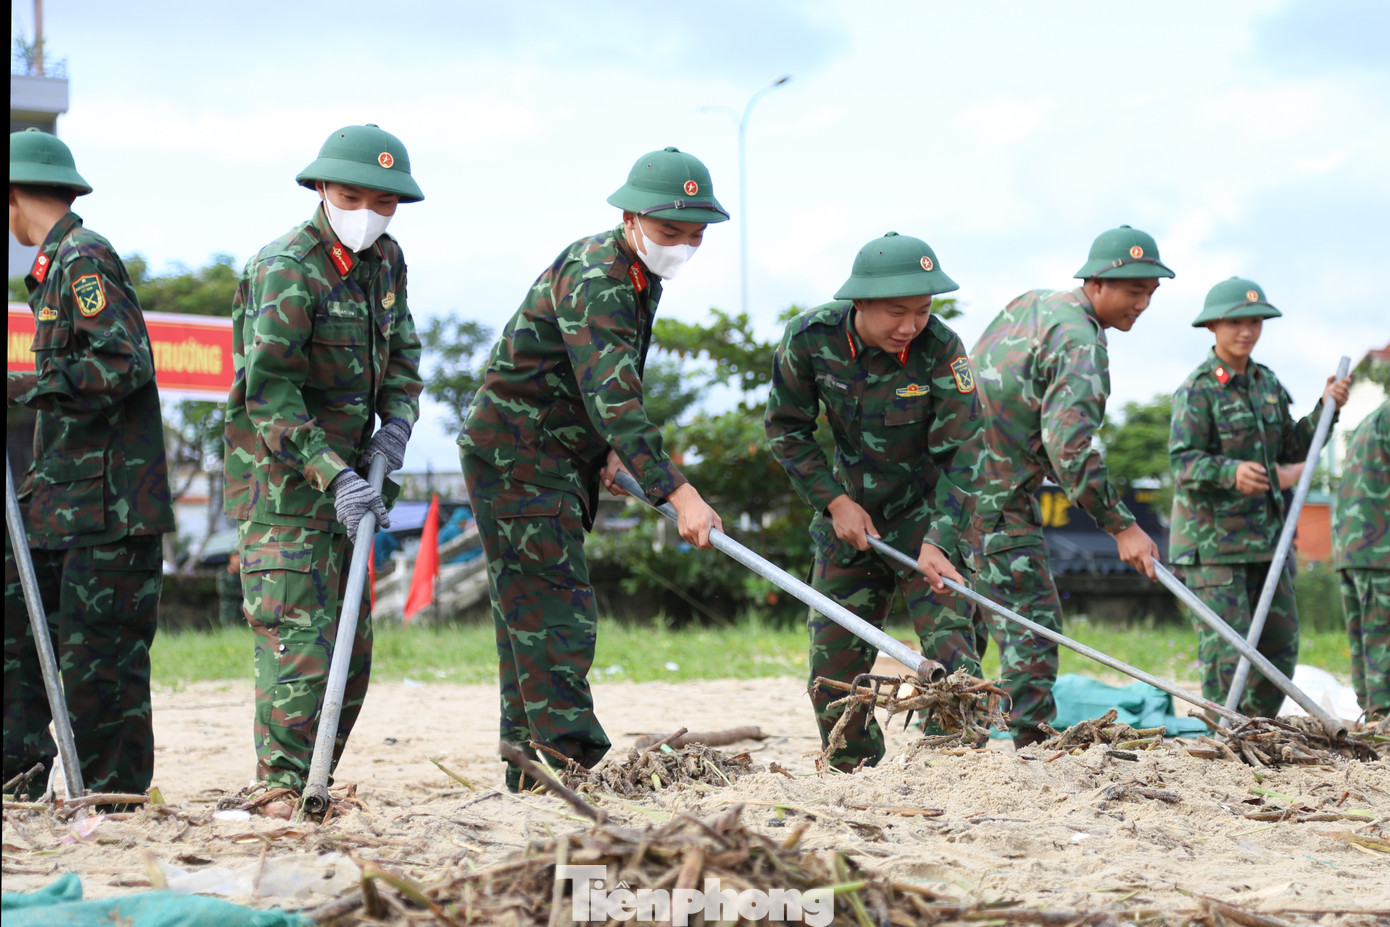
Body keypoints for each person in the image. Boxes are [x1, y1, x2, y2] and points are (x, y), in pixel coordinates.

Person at [459, 146, 727, 791]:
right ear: (632, 216)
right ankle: (567, 764)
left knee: (532, 613)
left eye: (695, 236)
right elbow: (616, 396)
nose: (682, 247)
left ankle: (533, 771)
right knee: (557, 611)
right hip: (519, 456)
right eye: (670, 233)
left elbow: (603, 378)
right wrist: (678, 491)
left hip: (556, 452)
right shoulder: (598, 276)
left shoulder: (639, 275)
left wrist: (608, 449)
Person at [223, 124, 424, 801]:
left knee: (352, 654)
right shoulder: (286, 267)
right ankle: (279, 795)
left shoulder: (386, 262)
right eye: (351, 195)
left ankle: (316, 784)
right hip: (286, 492)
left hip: (353, 492)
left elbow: (403, 358)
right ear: (319, 189)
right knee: (299, 652)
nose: (368, 212)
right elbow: (269, 393)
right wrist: (333, 473)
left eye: (384, 202)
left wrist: (394, 427)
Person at [764, 232, 983, 770]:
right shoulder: (810, 339)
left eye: (923, 310)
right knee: (831, 670)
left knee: (954, 656)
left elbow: (966, 454)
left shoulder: (942, 349)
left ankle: (951, 771)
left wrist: (940, 540)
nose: (910, 326)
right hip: (850, 518)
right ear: (858, 302)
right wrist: (834, 502)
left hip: (928, 518)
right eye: (896, 312)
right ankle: (854, 772)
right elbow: (787, 431)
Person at [4, 128, 175, 796]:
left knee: (100, 663)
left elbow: (123, 361)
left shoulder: (84, 257)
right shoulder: (50, 270)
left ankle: (110, 795)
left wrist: (21, 386)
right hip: (59, 501)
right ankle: (19, 776)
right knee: (17, 642)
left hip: (112, 507)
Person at [969, 225, 1171, 748]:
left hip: (946, 490)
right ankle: (1030, 752)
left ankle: (944, 746)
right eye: (1133, 291)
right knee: (1033, 628)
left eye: (1151, 292)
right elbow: (1070, 449)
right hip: (996, 498)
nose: (1143, 303)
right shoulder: (1082, 344)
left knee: (960, 627)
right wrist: (1121, 526)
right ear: (1098, 283)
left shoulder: (1033, 303)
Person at [1169, 277, 1351, 718]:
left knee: (1279, 647)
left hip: (1266, 544)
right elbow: (1183, 463)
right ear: (1213, 326)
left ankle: (1256, 730)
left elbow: (1293, 447)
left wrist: (1327, 407)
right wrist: (1229, 472)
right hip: (1214, 550)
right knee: (1226, 657)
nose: (1246, 331)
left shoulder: (1266, 384)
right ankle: (1221, 738)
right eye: (1236, 323)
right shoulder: (1197, 390)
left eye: (1255, 322)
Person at [1333, 398, 1389, 723]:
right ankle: (1383, 719)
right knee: (1382, 634)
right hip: (1380, 547)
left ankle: (1374, 714)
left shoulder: (1375, 418)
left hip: (1357, 546)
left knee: (1367, 636)